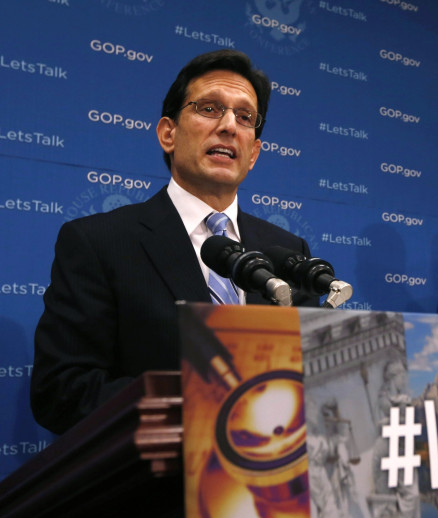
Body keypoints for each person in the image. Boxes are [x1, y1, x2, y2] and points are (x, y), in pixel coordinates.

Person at [31, 49, 317, 436]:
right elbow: (60, 393)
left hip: (273, 482)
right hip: (157, 485)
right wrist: (205, 401)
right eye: (210, 109)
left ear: (254, 153)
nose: (229, 126)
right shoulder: (99, 242)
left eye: (245, 117)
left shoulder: (287, 251)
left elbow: (313, 381)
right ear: (168, 133)